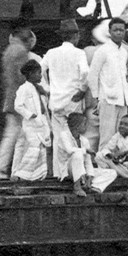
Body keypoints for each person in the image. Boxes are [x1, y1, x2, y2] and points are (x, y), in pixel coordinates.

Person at [41, 18, 89, 188]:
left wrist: (47, 89)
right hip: (73, 100)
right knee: (75, 136)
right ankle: (77, 173)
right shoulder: (79, 53)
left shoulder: (51, 53)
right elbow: (84, 72)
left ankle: (59, 173)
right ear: (75, 36)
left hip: (56, 100)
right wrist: (82, 89)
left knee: (58, 137)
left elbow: (40, 69)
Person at [0, 25, 37, 178]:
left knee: (12, 134)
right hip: (20, 99)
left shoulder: (9, 50)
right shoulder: (21, 52)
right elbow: (21, 76)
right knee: (17, 135)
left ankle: (4, 169)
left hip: (10, 96)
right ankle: (7, 169)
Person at [87, 17, 128, 150]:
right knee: (107, 136)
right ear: (110, 32)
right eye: (115, 30)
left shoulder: (124, 52)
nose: (119, 33)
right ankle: (103, 168)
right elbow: (92, 76)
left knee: (120, 137)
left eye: (121, 30)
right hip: (107, 99)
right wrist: (97, 97)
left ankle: (115, 168)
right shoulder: (102, 51)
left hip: (122, 99)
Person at [85, 112, 128, 193]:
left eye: (126, 125)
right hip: (123, 167)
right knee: (99, 155)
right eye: (121, 124)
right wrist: (110, 155)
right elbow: (106, 148)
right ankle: (107, 177)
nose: (122, 126)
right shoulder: (117, 136)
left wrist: (125, 152)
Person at [11, 59, 51, 182]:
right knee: (32, 149)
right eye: (38, 73)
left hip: (40, 124)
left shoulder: (38, 88)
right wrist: (29, 114)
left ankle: (35, 175)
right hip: (30, 124)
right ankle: (20, 174)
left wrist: (44, 94)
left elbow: (44, 107)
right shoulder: (24, 88)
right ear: (30, 74)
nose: (40, 76)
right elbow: (18, 105)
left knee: (39, 149)